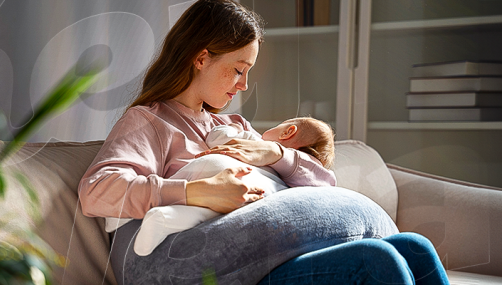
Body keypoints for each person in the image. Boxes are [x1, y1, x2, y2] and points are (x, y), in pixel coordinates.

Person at [77, 0, 449, 284]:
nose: (243, 85)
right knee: (375, 261)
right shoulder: (150, 121)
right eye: (238, 70)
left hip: (269, 256)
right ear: (202, 58)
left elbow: (322, 187)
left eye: (248, 73)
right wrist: (197, 191)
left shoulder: (233, 125)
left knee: (415, 247)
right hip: (209, 262)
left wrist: (276, 152)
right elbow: (97, 191)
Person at [104, 118, 337, 256]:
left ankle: (165, 216)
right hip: (224, 172)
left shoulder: (254, 140)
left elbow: (217, 137)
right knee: (208, 205)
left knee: (213, 207)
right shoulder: (275, 163)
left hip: (225, 176)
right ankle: (161, 215)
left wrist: (271, 150)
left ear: (288, 132)